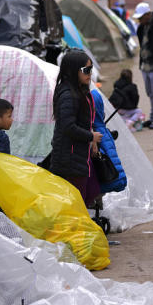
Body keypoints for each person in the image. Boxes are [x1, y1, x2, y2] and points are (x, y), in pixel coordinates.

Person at [48, 50, 103, 204]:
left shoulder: (78, 90)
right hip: (69, 159)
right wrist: (91, 136)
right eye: (86, 70)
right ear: (73, 70)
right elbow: (68, 127)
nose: (90, 74)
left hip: (75, 155)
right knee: (75, 203)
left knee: (78, 200)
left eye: (91, 69)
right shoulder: (68, 94)